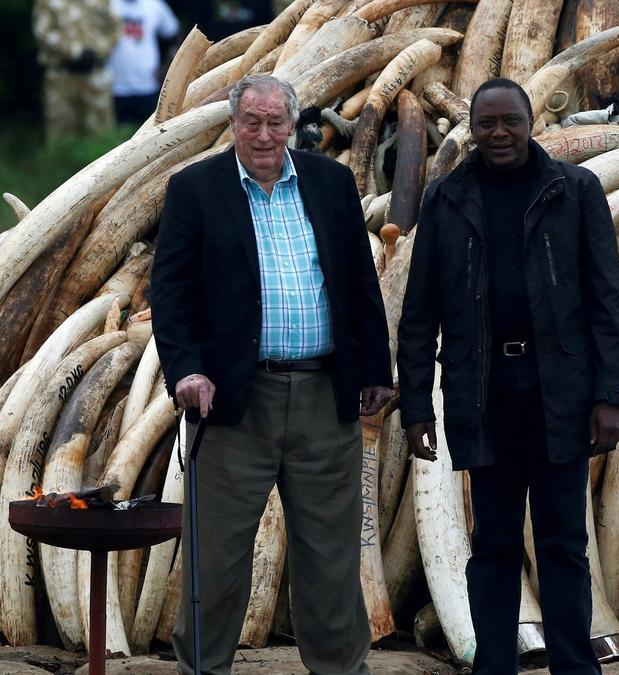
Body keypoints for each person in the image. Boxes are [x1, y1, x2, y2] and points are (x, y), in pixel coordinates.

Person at [151, 74, 392, 675]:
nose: (263, 135)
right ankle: (204, 669)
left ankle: (341, 668)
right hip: (233, 400)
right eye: (250, 122)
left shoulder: (331, 183)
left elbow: (361, 282)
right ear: (233, 124)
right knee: (218, 556)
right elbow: (171, 292)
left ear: (292, 125)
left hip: (323, 395)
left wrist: (375, 367)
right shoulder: (195, 189)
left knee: (331, 553)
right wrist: (185, 371)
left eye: (275, 122)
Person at [397, 78, 619, 674]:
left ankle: (575, 668)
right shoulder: (447, 199)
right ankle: (493, 666)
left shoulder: (573, 191)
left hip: (562, 395)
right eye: (486, 123)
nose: (499, 134)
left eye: (510, 122)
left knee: (562, 545)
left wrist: (611, 395)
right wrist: (418, 406)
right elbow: (420, 314)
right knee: (493, 545)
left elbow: (606, 301)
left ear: (532, 124)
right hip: (483, 396)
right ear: (470, 129)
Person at [32, 0, 121, 140]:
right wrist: (74, 52)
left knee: (102, 137)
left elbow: (115, 28)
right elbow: (42, 32)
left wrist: (98, 51)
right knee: (61, 136)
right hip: (62, 77)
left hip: (95, 76)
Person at [108, 0, 180, 125]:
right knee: (114, 139)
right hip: (114, 86)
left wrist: (166, 70)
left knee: (151, 134)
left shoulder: (155, 5)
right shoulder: (108, 5)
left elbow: (174, 35)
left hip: (148, 86)